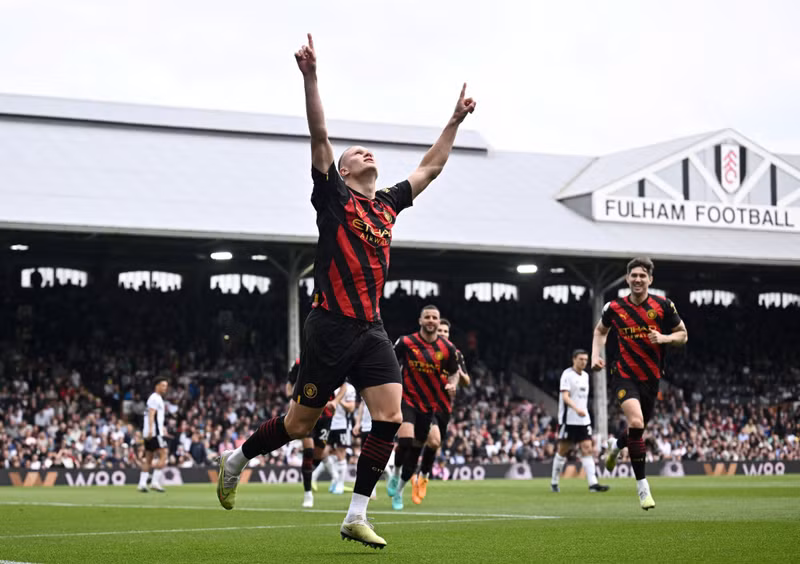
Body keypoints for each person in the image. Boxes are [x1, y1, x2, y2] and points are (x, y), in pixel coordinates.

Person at [215, 33, 476, 549]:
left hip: (372, 329)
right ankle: (238, 458)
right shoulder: (334, 199)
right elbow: (320, 135)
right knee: (298, 424)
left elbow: (431, 167)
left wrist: (453, 121)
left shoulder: (388, 205)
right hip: (330, 325)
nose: (364, 152)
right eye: (355, 152)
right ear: (343, 171)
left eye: (366, 150)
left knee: (391, 417)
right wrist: (310, 77)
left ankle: (355, 514)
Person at [591, 257, 688, 510]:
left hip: (652, 377)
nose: (637, 279)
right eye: (633, 275)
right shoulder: (614, 307)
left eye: (642, 276)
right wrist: (595, 356)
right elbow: (600, 331)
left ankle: (616, 445)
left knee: (638, 429)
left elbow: (683, 335)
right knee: (636, 422)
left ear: (650, 280)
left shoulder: (663, 305)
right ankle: (643, 488)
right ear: (627, 278)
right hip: (623, 374)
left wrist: (664, 337)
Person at [387, 305, 459, 510]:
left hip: (429, 406)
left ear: (439, 321)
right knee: (406, 439)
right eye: (427, 317)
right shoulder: (407, 342)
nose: (430, 320)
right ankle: (396, 472)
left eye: (434, 317)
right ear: (420, 320)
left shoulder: (447, 349)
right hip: (407, 399)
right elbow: (390, 361)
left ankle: (399, 491)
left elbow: (454, 372)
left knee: (417, 450)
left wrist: (452, 383)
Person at [407, 317, 469, 503]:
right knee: (432, 440)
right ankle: (411, 474)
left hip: (444, 407)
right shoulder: (425, 352)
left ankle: (420, 477)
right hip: (424, 404)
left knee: (433, 443)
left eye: (446, 332)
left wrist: (458, 375)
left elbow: (466, 381)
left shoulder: (455, 354)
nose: (443, 334)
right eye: (440, 331)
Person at [285, 359, 344, 508]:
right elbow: (289, 384)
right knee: (309, 451)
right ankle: (308, 494)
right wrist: (292, 400)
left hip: (326, 416)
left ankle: (308, 475)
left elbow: (344, 385)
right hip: (306, 411)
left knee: (319, 454)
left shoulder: (333, 360)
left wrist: (336, 401)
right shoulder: (300, 362)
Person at [550, 349, 609, 493]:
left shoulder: (586, 376)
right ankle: (554, 481)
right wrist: (576, 409)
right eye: (581, 359)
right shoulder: (567, 375)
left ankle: (593, 484)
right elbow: (565, 396)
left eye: (585, 360)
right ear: (574, 359)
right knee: (563, 451)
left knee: (587, 448)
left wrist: (583, 412)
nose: (584, 362)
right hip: (568, 420)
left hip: (583, 420)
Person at [138, 378, 168, 493]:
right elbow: (151, 414)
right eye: (163, 385)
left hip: (150, 431)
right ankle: (154, 482)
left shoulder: (155, 398)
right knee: (164, 455)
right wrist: (151, 430)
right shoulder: (155, 398)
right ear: (157, 386)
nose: (165, 388)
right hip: (154, 432)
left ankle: (142, 484)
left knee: (148, 458)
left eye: (166, 386)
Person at [328, 382, 357, 495]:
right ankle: (335, 477)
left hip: (343, 425)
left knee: (341, 454)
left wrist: (338, 399)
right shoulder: (330, 385)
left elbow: (351, 407)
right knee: (324, 453)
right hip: (329, 424)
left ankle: (340, 483)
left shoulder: (349, 388)